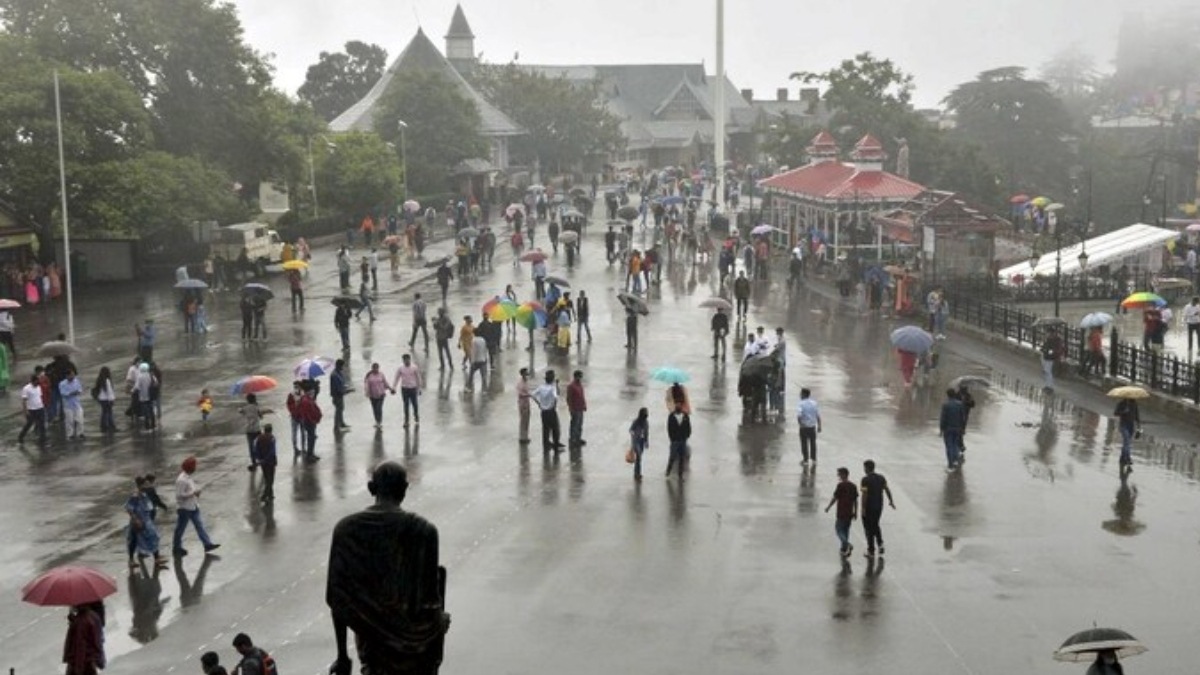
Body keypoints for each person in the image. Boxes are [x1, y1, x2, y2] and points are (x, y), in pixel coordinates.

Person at [327, 462, 448, 675]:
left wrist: (342, 656)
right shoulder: (425, 531)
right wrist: (439, 622)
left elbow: (338, 600)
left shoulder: (347, 530)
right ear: (404, 489)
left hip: (372, 648)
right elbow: (431, 602)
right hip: (416, 652)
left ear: (371, 488)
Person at [172, 456, 219, 556]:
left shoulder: (187, 477)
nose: (196, 468)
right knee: (180, 529)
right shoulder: (182, 480)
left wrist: (195, 493)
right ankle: (176, 548)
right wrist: (193, 493)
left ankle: (207, 544)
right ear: (190, 467)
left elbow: (189, 490)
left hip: (193, 506)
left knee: (199, 526)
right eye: (194, 466)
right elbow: (179, 495)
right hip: (185, 508)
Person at [126, 476, 168, 570]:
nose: (148, 485)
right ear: (141, 485)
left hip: (146, 520)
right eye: (145, 484)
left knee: (154, 537)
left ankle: (157, 558)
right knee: (134, 540)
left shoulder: (144, 494)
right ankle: (131, 560)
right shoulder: (135, 496)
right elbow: (129, 508)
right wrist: (136, 520)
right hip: (137, 521)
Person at [859, 460, 895, 558]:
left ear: (866, 468)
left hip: (869, 507)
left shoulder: (865, 480)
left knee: (869, 528)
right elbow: (887, 489)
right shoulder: (881, 478)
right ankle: (880, 543)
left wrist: (862, 508)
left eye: (864, 467)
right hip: (879, 506)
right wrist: (891, 501)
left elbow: (864, 495)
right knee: (875, 524)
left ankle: (871, 550)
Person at [62, 602, 105, 675]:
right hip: (90, 662)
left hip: (81, 663)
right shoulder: (93, 616)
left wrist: (78, 669)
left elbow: (80, 645)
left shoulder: (81, 622)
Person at [824, 467, 859, 558]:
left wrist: (828, 507)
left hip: (841, 511)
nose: (838, 476)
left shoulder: (840, 486)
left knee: (838, 529)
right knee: (846, 530)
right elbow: (855, 500)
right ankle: (843, 549)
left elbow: (835, 498)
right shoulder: (853, 486)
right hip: (850, 512)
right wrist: (855, 512)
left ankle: (846, 544)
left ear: (844, 474)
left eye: (839, 474)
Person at [532, 370, 563, 453]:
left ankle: (546, 444)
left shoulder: (541, 387)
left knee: (545, 429)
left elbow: (533, 394)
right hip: (551, 411)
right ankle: (556, 446)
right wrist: (557, 385)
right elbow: (557, 396)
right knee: (555, 429)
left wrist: (539, 403)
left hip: (543, 411)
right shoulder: (552, 388)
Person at [939, 388, 966, 472]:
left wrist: (941, 429)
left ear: (948, 395)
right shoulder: (960, 404)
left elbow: (943, 418)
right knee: (955, 444)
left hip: (948, 428)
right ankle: (955, 460)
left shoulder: (946, 405)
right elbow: (962, 418)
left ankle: (950, 465)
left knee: (949, 446)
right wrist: (962, 428)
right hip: (957, 428)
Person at [393, 354, 423, 427]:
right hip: (404, 388)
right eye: (404, 360)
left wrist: (419, 388)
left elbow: (418, 378)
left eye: (407, 360)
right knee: (406, 405)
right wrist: (394, 387)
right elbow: (396, 378)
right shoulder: (400, 368)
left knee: (414, 404)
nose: (406, 361)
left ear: (409, 359)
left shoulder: (414, 367)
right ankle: (406, 420)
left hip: (413, 388)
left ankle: (416, 416)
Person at [1114, 397, 1140, 474]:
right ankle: (1127, 458)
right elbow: (1116, 413)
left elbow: (1137, 416)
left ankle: (1122, 458)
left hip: (1131, 426)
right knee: (1127, 442)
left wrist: (1139, 426)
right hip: (1123, 425)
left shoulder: (1134, 404)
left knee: (1127, 443)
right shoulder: (1122, 404)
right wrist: (1123, 411)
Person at [665, 400, 691, 480]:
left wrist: (687, 435)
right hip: (675, 440)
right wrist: (672, 438)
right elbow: (669, 428)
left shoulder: (685, 416)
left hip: (683, 440)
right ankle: (668, 471)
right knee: (672, 456)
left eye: (679, 406)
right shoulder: (671, 416)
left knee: (682, 458)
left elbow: (688, 427)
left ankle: (680, 474)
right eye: (677, 406)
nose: (678, 407)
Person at [364, 362, 394, 429]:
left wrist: (390, 389)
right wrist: (367, 392)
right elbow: (367, 385)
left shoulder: (381, 374)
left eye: (377, 368)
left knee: (379, 408)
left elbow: (385, 383)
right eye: (374, 368)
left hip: (381, 394)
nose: (376, 369)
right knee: (374, 409)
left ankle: (379, 422)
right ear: (372, 368)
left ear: (378, 368)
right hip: (372, 395)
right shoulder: (369, 376)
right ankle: (377, 421)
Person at [239, 394, 265, 471]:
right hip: (257, 429)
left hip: (249, 430)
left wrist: (241, 409)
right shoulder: (256, 407)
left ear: (247, 400)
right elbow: (261, 416)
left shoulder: (245, 408)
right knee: (259, 446)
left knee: (251, 447)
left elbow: (241, 411)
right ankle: (261, 460)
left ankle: (253, 462)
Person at [295, 388, 322, 462]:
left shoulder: (308, 399)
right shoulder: (306, 401)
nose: (313, 394)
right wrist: (313, 421)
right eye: (312, 392)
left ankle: (311, 454)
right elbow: (307, 414)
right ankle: (309, 455)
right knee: (311, 438)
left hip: (310, 422)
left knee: (312, 438)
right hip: (309, 422)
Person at [796, 388, 821, 464]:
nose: (800, 395)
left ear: (803, 394)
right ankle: (814, 459)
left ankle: (805, 459)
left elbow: (799, 416)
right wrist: (819, 426)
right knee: (813, 443)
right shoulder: (814, 403)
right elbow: (818, 415)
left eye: (801, 393)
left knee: (804, 443)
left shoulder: (801, 404)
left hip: (804, 427)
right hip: (812, 427)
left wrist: (800, 424)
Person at [254, 424, 278, 503]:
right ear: (271, 430)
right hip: (270, 462)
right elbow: (272, 451)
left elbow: (256, 450)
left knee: (266, 477)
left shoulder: (259, 438)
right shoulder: (272, 438)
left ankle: (270, 494)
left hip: (263, 463)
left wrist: (259, 459)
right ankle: (265, 495)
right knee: (270, 480)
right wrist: (266, 459)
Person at [59, 367, 85, 439]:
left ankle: (80, 433)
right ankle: (70, 434)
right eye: (71, 375)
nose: (73, 376)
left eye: (73, 375)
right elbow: (63, 393)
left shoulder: (76, 381)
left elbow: (80, 390)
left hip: (77, 404)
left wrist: (77, 392)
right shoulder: (62, 384)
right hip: (68, 405)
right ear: (67, 376)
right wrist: (72, 393)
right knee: (69, 421)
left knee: (80, 419)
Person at [566, 370, 587, 446]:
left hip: (580, 408)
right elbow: (569, 398)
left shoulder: (580, 385)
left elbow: (582, 396)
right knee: (574, 424)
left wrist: (584, 405)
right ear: (575, 377)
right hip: (575, 408)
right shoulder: (571, 386)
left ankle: (578, 438)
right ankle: (573, 438)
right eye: (579, 376)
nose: (580, 378)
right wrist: (570, 408)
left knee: (579, 424)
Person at [286, 381, 306, 456]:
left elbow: (288, 405)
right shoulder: (299, 394)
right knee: (300, 432)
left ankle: (299, 448)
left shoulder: (293, 394)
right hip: (298, 416)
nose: (297, 388)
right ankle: (299, 448)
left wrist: (293, 410)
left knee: (299, 433)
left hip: (297, 416)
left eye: (297, 386)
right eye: (296, 386)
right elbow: (289, 404)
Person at [629, 407, 649, 481]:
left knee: (638, 459)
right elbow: (631, 429)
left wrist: (646, 441)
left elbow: (647, 433)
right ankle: (637, 474)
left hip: (642, 442)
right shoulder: (636, 421)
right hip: (636, 441)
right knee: (639, 456)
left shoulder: (646, 422)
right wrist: (633, 434)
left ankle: (637, 473)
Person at [94, 367, 117, 433]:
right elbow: (109, 391)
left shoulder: (100, 379)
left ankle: (104, 425)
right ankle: (110, 425)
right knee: (109, 413)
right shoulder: (107, 380)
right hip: (107, 399)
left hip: (101, 399)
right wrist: (112, 399)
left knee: (104, 413)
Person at [330, 359, 350, 432]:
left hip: (339, 395)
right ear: (339, 365)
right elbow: (337, 387)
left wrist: (345, 386)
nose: (343, 367)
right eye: (342, 365)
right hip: (337, 395)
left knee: (341, 409)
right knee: (338, 410)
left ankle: (341, 423)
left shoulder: (338, 373)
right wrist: (346, 391)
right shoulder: (334, 375)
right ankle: (336, 426)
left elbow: (341, 383)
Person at [516, 368, 532, 444]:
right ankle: (522, 437)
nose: (527, 375)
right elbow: (520, 394)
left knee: (526, 421)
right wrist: (528, 395)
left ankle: (525, 436)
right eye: (525, 374)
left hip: (527, 402)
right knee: (523, 420)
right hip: (522, 404)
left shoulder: (526, 382)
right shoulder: (520, 383)